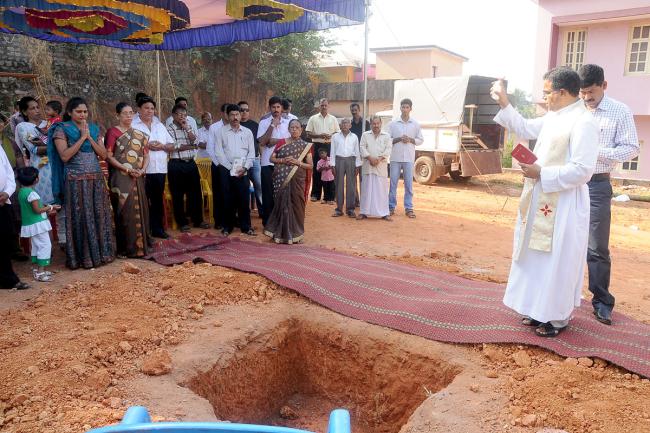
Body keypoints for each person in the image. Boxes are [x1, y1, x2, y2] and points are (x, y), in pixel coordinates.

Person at [491, 67, 599, 337]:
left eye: (547, 92)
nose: (544, 98)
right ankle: (537, 310)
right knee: (535, 256)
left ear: (562, 92)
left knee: (557, 260)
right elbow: (525, 127)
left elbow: (583, 170)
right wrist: (505, 102)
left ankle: (557, 318)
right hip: (540, 198)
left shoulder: (583, 122)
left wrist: (543, 173)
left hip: (563, 204)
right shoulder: (554, 116)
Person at [577, 64, 640, 325]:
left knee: (596, 247)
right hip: (569, 183)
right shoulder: (574, 110)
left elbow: (631, 149)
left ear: (604, 86)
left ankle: (602, 302)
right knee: (563, 241)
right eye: (581, 93)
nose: (586, 98)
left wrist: (595, 151)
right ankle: (559, 298)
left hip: (597, 186)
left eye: (590, 92)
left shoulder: (619, 111)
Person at [49, 97, 116, 269]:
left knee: (98, 214)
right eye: (78, 111)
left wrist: (90, 138)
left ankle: (102, 253)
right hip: (75, 180)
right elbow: (64, 156)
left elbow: (104, 155)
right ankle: (82, 257)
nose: (82, 114)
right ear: (70, 112)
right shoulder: (61, 129)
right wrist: (81, 138)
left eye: (85, 111)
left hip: (95, 178)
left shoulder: (93, 129)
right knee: (80, 216)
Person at [105, 102, 151, 258]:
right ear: (117, 115)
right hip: (121, 177)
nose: (129, 116)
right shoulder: (112, 132)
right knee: (124, 211)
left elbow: (146, 155)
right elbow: (109, 157)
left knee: (141, 209)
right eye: (125, 113)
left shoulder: (139, 133)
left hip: (137, 176)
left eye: (131, 113)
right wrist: (126, 169)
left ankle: (142, 246)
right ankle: (126, 249)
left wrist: (142, 170)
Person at [264, 119, 313, 244]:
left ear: (301, 130)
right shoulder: (281, 142)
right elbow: (271, 158)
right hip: (282, 180)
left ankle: (296, 234)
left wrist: (297, 162)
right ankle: (279, 234)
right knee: (281, 205)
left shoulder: (306, 146)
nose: (294, 129)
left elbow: (310, 166)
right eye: (292, 127)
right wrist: (283, 161)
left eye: (297, 127)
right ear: (288, 129)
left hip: (298, 180)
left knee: (297, 206)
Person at [210, 104, 256, 236]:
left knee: (243, 198)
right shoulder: (221, 132)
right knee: (227, 198)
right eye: (232, 115)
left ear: (241, 116)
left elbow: (251, 153)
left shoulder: (247, 132)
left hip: (243, 169)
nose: (235, 117)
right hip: (226, 169)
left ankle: (246, 227)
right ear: (227, 116)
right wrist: (231, 169)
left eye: (237, 114)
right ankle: (227, 227)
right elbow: (218, 152)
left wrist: (245, 167)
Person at [132, 95, 175, 239]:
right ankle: (144, 230)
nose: (149, 111)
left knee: (157, 200)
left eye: (152, 108)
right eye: (146, 108)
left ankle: (158, 229)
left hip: (160, 169)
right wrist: (146, 145)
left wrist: (162, 146)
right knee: (142, 201)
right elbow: (129, 148)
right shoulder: (133, 125)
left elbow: (171, 145)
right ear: (139, 109)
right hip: (142, 170)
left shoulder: (159, 125)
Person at [166, 104, 210, 232]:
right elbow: (175, 146)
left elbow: (195, 142)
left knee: (196, 193)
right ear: (173, 115)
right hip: (176, 164)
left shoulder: (188, 126)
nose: (182, 117)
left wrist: (187, 129)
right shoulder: (168, 129)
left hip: (191, 163)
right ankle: (182, 222)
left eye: (184, 115)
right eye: (179, 114)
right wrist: (191, 146)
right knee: (177, 194)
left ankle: (198, 220)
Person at [16, 167, 60, 281]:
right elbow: (37, 210)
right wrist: (50, 207)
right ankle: (41, 272)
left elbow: (32, 207)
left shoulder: (21, 192)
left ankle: (37, 270)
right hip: (38, 224)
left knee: (36, 246)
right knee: (45, 245)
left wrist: (44, 206)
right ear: (36, 179)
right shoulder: (32, 193)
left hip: (30, 224)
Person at [15, 97, 54, 207]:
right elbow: (35, 149)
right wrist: (56, 144)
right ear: (24, 112)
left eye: (38, 107)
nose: (37, 110)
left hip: (56, 165)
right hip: (41, 167)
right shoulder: (23, 127)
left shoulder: (49, 124)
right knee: (45, 206)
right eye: (32, 108)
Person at [257, 96, 291, 226]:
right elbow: (262, 142)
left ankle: (281, 222)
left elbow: (289, 142)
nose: (276, 110)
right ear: (269, 108)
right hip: (266, 162)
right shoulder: (264, 123)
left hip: (283, 163)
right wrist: (272, 126)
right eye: (273, 107)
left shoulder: (288, 124)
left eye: (278, 107)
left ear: (282, 108)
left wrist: (274, 141)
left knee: (282, 193)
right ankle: (268, 223)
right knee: (267, 194)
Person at [0, 144, 29, 290]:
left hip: (3, 200)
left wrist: (7, 192)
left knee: (5, 239)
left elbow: (9, 173)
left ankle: (8, 279)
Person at [388, 98, 423, 218]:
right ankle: (391, 207)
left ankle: (409, 208)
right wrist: (399, 139)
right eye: (403, 107)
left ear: (411, 109)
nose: (405, 109)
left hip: (408, 158)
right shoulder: (393, 124)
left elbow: (420, 140)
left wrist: (410, 140)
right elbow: (387, 139)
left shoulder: (415, 124)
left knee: (409, 184)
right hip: (395, 158)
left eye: (407, 107)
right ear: (400, 108)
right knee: (393, 183)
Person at [357, 116, 392, 221]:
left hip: (380, 167)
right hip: (368, 166)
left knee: (381, 191)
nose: (376, 125)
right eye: (373, 123)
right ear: (371, 124)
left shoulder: (386, 136)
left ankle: (384, 213)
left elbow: (388, 149)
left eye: (377, 123)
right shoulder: (365, 135)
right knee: (366, 190)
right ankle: (363, 212)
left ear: (381, 123)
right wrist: (369, 158)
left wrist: (379, 159)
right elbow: (362, 147)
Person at [306, 98, 340, 202]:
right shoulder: (313, 118)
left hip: (329, 146)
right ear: (319, 106)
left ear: (328, 106)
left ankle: (330, 196)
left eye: (325, 105)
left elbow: (337, 133)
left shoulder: (333, 119)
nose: (324, 107)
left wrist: (330, 135)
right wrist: (320, 135)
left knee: (330, 169)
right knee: (317, 169)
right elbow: (308, 133)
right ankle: (315, 194)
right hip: (317, 145)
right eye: (322, 105)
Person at [331, 118, 361, 217]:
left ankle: (350, 209)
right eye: (343, 123)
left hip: (351, 160)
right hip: (339, 160)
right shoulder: (335, 136)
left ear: (350, 125)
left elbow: (357, 151)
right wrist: (332, 164)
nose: (344, 125)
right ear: (340, 125)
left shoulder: (354, 137)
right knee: (339, 184)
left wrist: (357, 165)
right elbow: (333, 151)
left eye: (347, 123)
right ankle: (339, 209)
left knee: (351, 185)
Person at [238, 100, 262, 214]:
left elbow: (260, 143)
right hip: (240, 162)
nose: (244, 112)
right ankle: (243, 213)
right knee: (242, 187)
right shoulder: (235, 126)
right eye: (241, 110)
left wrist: (261, 159)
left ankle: (263, 212)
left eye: (246, 110)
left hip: (255, 161)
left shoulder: (255, 125)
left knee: (259, 185)